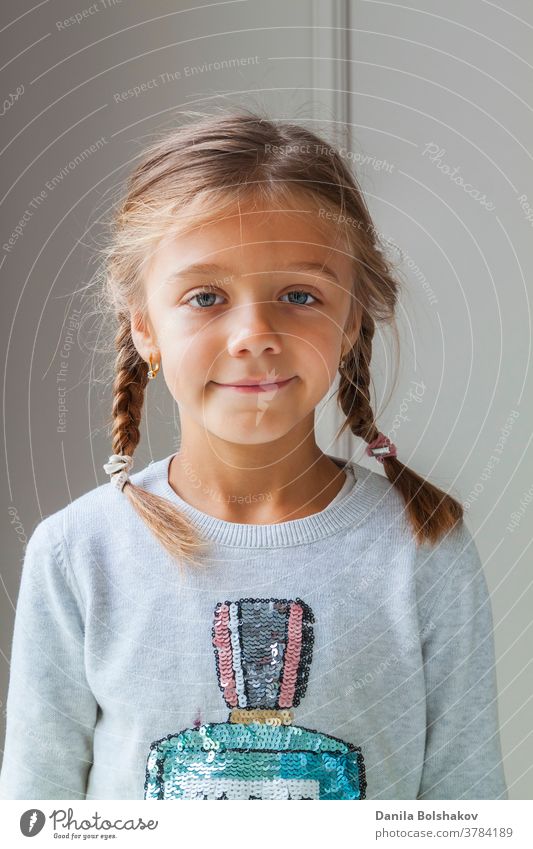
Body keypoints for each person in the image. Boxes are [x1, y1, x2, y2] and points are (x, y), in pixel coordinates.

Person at [0, 109, 507, 800]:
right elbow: (36, 805)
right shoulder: (76, 553)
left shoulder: (424, 547)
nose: (253, 334)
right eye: (205, 296)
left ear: (351, 316)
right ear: (144, 326)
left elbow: (465, 804)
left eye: (300, 295)